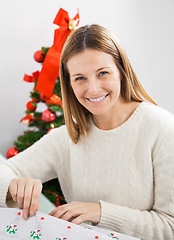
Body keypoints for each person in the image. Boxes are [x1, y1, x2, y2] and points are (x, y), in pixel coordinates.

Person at [0, 24, 174, 240]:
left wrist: (100, 212)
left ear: (121, 71)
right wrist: (13, 185)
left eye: (102, 73)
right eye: (80, 78)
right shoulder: (67, 138)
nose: (93, 89)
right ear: (70, 84)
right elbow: (5, 171)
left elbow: (170, 226)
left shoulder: (162, 129)